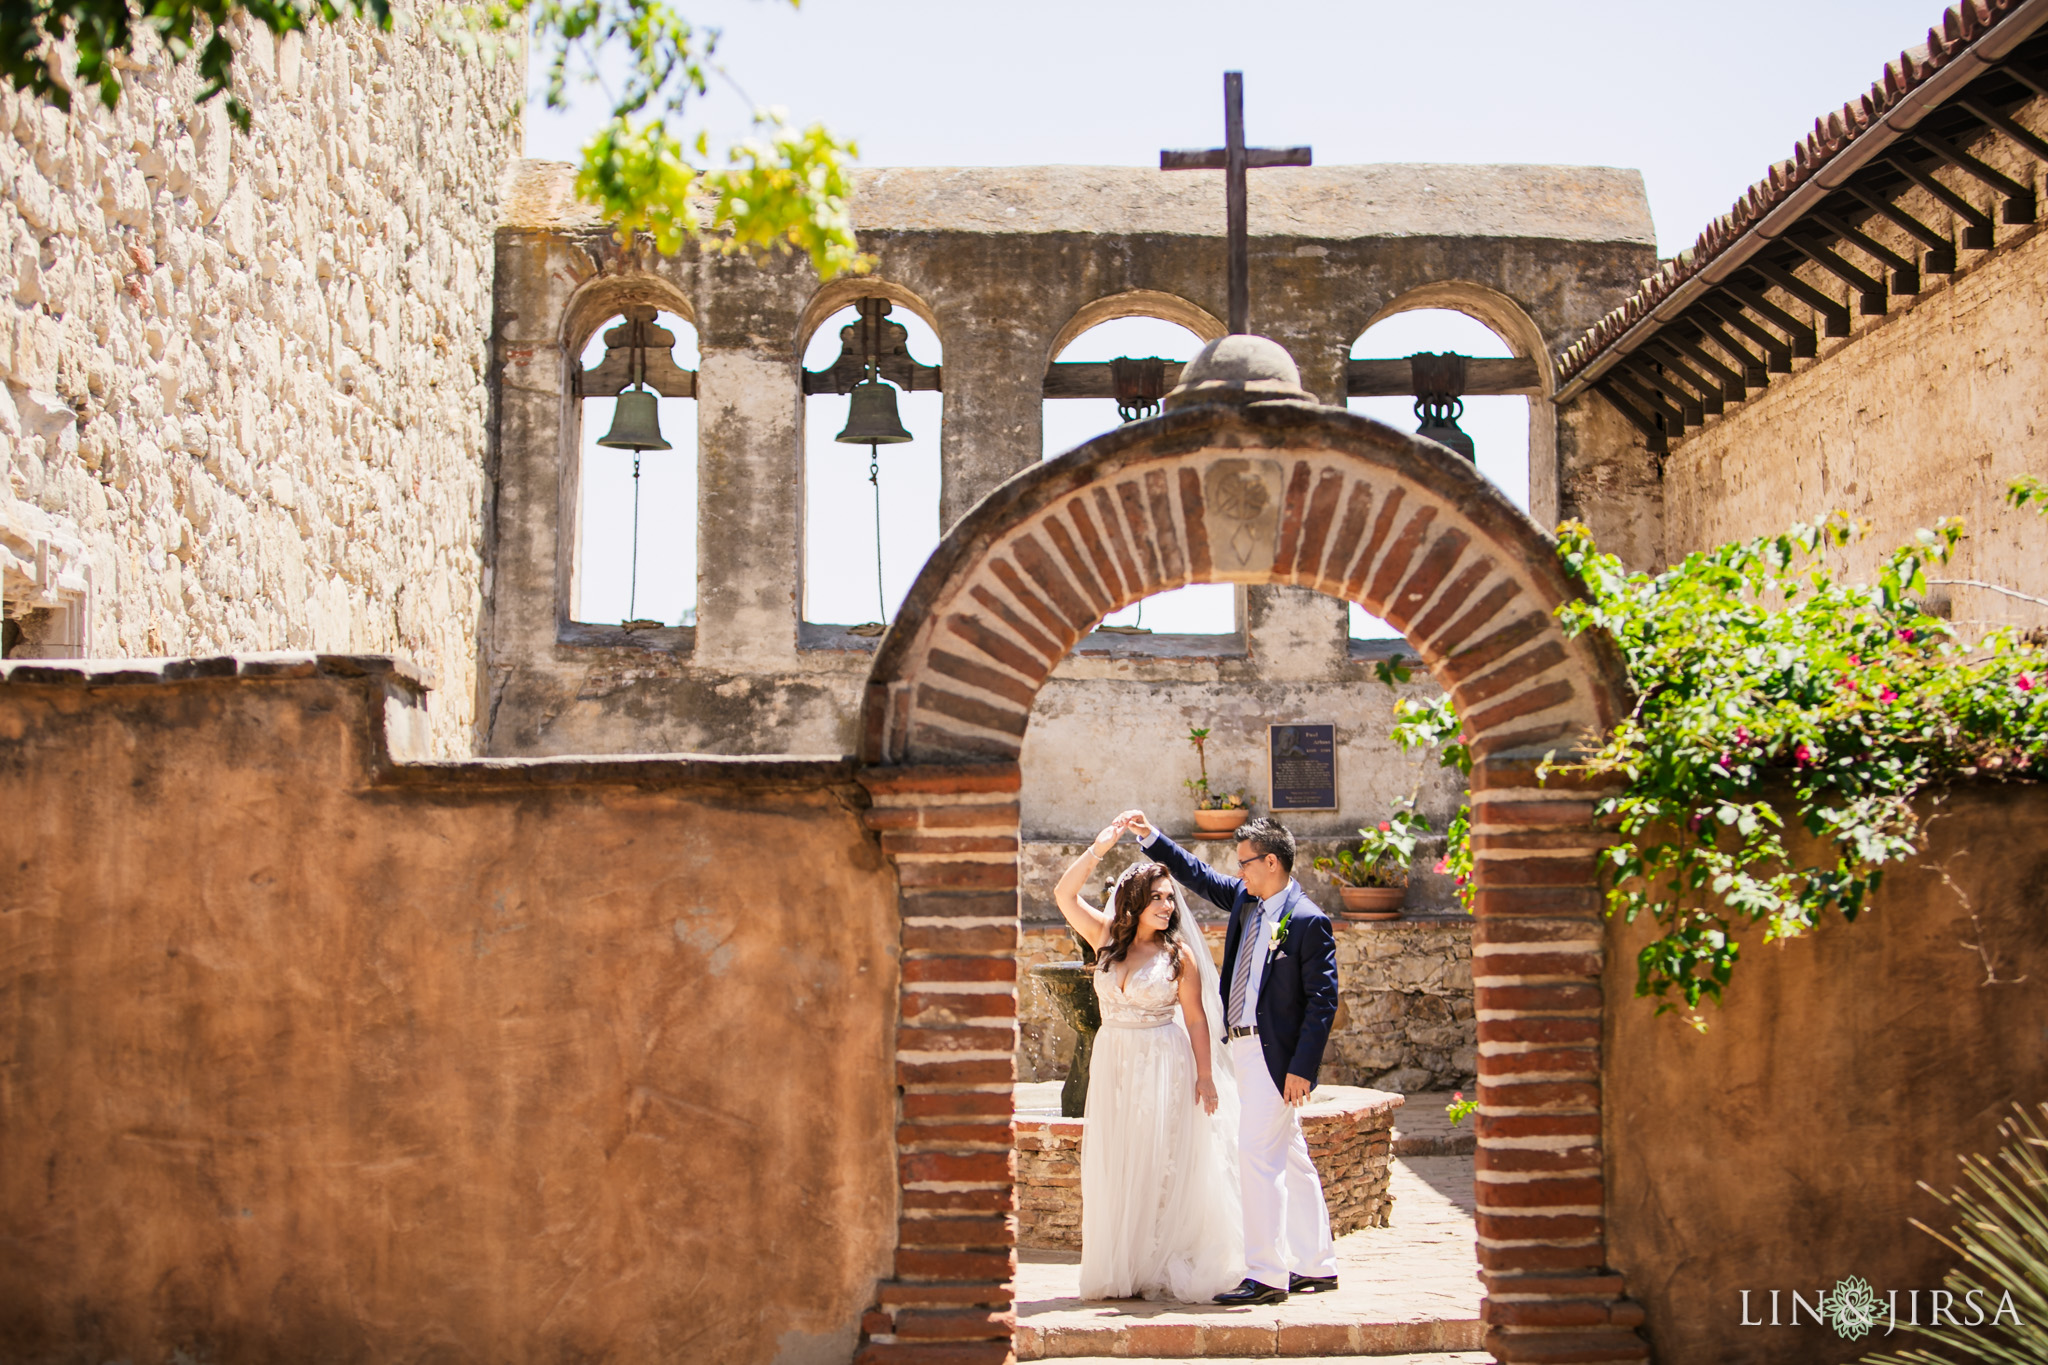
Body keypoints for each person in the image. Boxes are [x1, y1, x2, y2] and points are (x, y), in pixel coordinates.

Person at [1119, 810, 1340, 1306]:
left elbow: (1324, 1000)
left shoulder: (1307, 921)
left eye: (1245, 863)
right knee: (1291, 1155)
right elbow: (1197, 875)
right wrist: (1151, 837)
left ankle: (1266, 1274)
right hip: (1240, 1045)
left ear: (1271, 862)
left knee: (1258, 1156)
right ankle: (1317, 1265)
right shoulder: (1246, 898)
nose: (1238, 871)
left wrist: (1302, 1067)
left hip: (1273, 1051)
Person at [1052, 817, 1245, 1302]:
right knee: (1118, 1159)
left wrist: (1206, 1077)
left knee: (1161, 1159)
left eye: (1169, 898)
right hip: (1113, 1059)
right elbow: (1062, 895)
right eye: (1157, 897)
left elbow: (1198, 1020)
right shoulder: (1104, 939)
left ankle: (1160, 1257)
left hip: (1164, 1061)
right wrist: (1098, 848)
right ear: (1135, 903)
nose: (1167, 905)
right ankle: (1124, 1262)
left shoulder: (1178, 956)